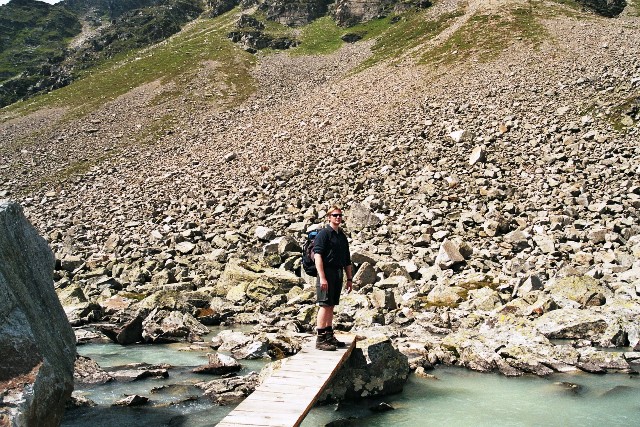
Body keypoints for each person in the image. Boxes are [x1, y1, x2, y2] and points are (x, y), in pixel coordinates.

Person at [313, 205, 353, 351]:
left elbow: (347, 259)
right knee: (324, 304)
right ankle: (320, 338)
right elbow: (318, 255)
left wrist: (349, 279)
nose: (338, 218)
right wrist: (322, 277)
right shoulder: (324, 234)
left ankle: (329, 335)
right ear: (329, 217)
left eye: (340, 215)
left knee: (331, 304)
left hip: (338, 273)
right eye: (335, 215)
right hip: (327, 272)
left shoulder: (341, 236)